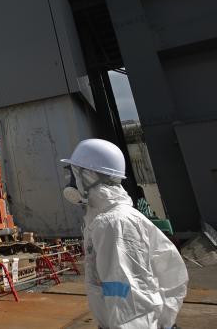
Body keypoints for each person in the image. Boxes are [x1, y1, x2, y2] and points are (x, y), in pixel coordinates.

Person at [61, 138, 188, 329]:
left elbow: (130, 300)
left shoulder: (114, 223)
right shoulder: (108, 219)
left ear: (89, 176)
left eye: (73, 174)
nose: (69, 181)